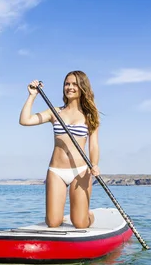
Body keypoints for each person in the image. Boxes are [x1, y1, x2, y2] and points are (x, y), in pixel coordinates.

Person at [19, 71, 100, 229]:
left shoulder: (90, 115)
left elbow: (94, 145)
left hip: (81, 171)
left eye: (74, 84)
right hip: (56, 171)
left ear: (82, 87)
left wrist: (95, 164)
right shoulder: (55, 112)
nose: (69, 87)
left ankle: (88, 215)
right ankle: (57, 214)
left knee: (80, 224)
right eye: (67, 84)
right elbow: (24, 120)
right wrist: (32, 96)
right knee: (53, 223)